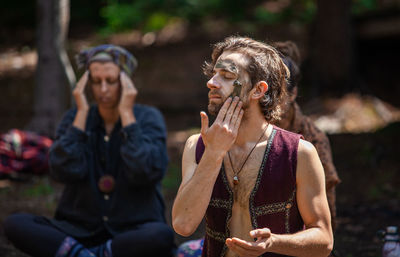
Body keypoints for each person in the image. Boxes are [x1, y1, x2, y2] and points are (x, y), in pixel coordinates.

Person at [4, 44, 175, 257]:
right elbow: (62, 170)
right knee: (16, 223)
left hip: (132, 231)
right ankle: (92, 253)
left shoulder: (148, 118)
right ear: (87, 84)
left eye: (111, 81)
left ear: (125, 82)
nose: (103, 89)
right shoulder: (75, 118)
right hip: (79, 230)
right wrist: (82, 114)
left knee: (161, 235)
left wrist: (127, 116)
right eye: (96, 81)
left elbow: (146, 171)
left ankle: (82, 254)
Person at [172, 36, 333, 257]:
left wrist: (274, 242)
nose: (211, 82)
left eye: (227, 76)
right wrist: (214, 153)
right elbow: (183, 224)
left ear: (258, 90)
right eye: (213, 75)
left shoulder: (299, 152)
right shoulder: (197, 146)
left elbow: (324, 240)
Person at [271, 41, 341, 232]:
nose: (269, 100)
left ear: (293, 93)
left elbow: (327, 200)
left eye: (279, 93)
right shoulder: (246, 130)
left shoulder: (313, 138)